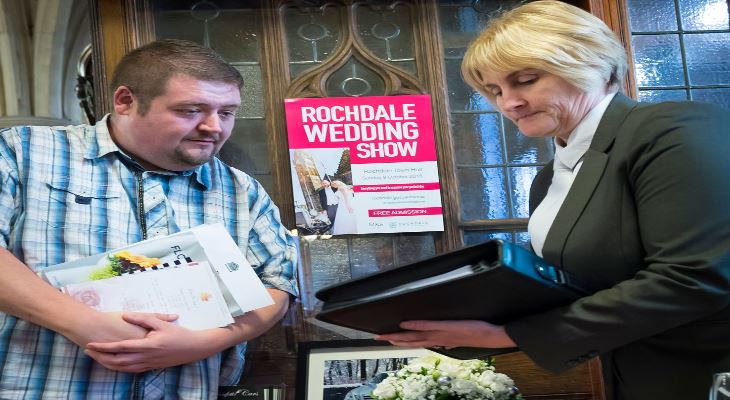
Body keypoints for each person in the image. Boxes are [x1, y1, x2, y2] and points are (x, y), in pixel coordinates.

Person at [377, 2, 730, 399]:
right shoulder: (547, 179)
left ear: (591, 64)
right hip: (634, 378)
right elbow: (571, 289)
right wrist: (462, 320)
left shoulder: (671, 131)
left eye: (526, 80)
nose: (508, 103)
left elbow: (694, 278)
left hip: (708, 376)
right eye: (495, 91)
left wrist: (510, 333)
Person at [0, 39, 298, 398]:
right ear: (126, 101)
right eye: (191, 110)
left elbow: (277, 285)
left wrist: (203, 343)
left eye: (227, 112)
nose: (213, 127)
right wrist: (82, 323)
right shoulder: (23, 150)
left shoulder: (240, 190)